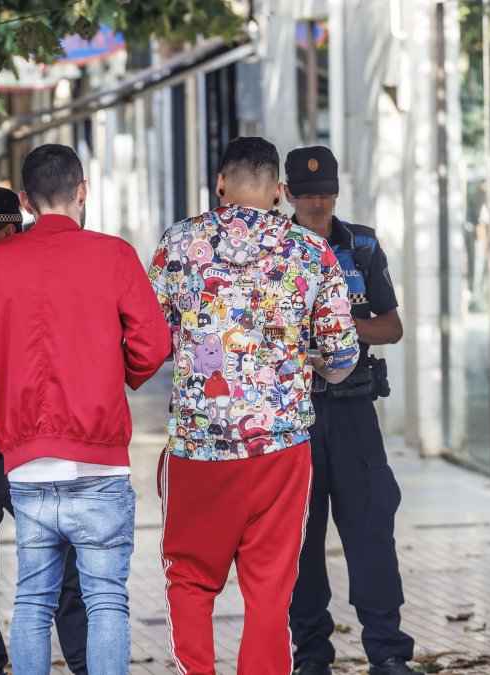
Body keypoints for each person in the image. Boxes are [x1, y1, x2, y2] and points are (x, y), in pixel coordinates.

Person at [148, 136, 359, 674]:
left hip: (199, 448)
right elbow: (341, 357)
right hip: (281, 450)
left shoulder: (178, 244)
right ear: (280, 192)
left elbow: (150, 340)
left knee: (191, 581)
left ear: (220, 183)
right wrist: (296, 357)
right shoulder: (312, 252)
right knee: (270, 589)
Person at [0, 144, 170, 674]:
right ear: (83, 191)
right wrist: (112, 379)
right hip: (99, 457)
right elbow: (153, 345)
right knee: (105, 600)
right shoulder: (115, 255)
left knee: (32, 600)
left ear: (26, 201)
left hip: (27, 462)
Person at [282, 146, 416, 675]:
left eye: (326, 193)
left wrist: (337, 329)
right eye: (307, 194)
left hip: (355, 411)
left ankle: (387, 653)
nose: (318, 203)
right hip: (296, 414)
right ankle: (311, 656)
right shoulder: (274, 249)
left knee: (370, 532)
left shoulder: (360, 245)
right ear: (287, 195)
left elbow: (392, 326)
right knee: (302, 540)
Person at [0, 185, 89, 675]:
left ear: (7, 231)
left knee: (69, 564)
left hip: (37, 439)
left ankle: (83, 663)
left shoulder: (43, 270)